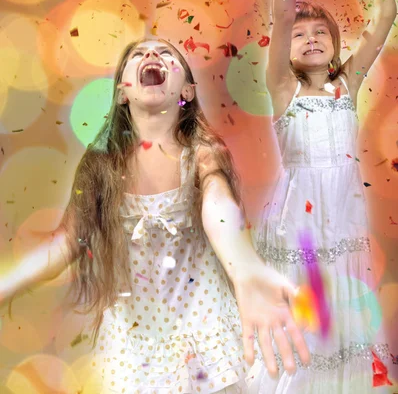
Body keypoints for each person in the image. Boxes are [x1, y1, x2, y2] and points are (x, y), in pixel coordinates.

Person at [0, 37, 310, 394]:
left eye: (166, 54)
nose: (151, 55)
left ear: (188, 91)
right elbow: (65, 242)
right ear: (121, 93)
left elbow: (218, 207)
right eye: (137, 54)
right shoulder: (101, 163)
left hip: (202, 333)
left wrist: (245, 266)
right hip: (133, 346)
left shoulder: (203, 152)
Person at [250, 0, 396, 393]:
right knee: (309, 319)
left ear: (334, 45)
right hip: (302, 225)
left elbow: (383, 21)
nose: (310, 37)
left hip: (345, 218)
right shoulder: (283, 88)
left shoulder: (345, 86)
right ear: (285, 51)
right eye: (300, 34)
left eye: (321, 33)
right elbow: (283, 12)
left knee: (342, 320)